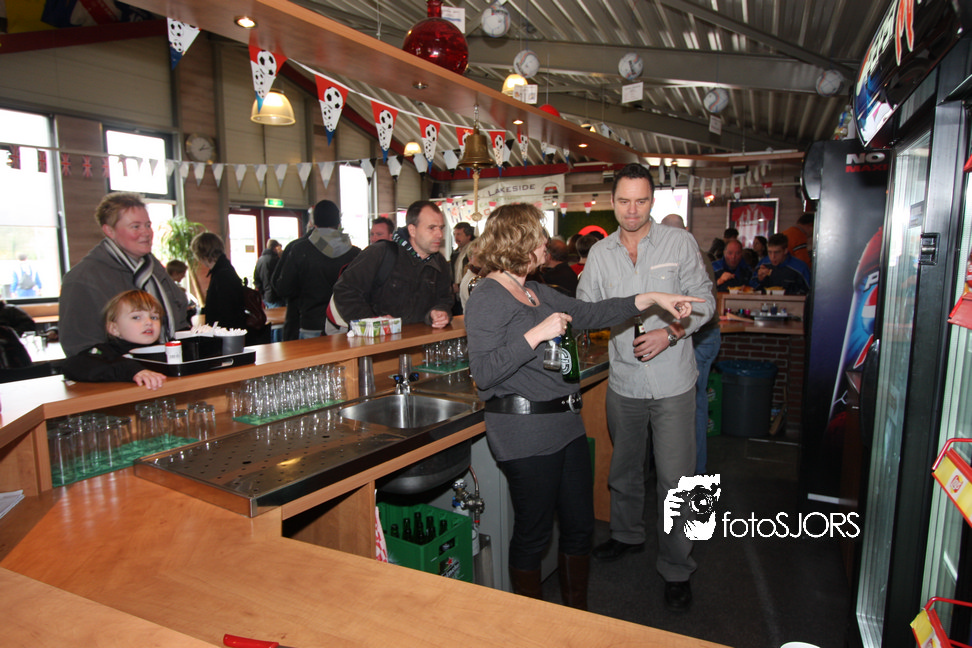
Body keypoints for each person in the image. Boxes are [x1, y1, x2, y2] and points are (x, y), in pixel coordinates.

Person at [465, 202, 702, 611]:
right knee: (534, 534)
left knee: (579, 529)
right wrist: (537, 334)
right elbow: (484, 373)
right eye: (539, 235)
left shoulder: (535, 290)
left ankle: (576, 618)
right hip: (524, 432)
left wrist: (650, 297)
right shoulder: (487, 294)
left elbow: (592, 313)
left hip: (565, 424)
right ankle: (533, 627)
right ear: (519, 240)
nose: (546, 242)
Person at [577, 163, 715, 613]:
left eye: (640, 201)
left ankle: (678, 567)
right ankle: (626, 535)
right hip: (624, 380)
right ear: (611, 202)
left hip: (673, 380)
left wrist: (670, 333)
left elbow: (706, 304)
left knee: (679, 480)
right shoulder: (600, 254)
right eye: (623, 201)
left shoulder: (679, 242)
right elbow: (585, 310)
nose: (632, 210)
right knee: (624, 469)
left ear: (652, 201)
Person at [59, 192, 189, 357]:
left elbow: (179, 317)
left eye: (147, 225)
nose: (146, 233)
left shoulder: (154, 269)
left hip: (165, 363)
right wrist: (128, 368)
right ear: (109, 230)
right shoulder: (83, 278)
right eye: (135, 226)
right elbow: (79, 348)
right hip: (121, 370)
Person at [661, 214, 721, 476]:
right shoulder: (699, 253)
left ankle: (693, 472)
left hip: (698, 337)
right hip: (706, 335)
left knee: (691, 405)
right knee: (694, 403)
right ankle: (692, 469)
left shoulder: (682, 255)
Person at [332, 200, 453, 328]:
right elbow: (345, 290)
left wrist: (440, 312)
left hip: (419, 338)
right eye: (431, 228)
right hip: (376, 339)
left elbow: (444, 299)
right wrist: (373, 322)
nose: (439, 234)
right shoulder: (381, 253)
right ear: (412, 230)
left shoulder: (440, 263)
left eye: (441, 228)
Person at [272, 201, 360, 339]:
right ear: (338, 223)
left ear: (314, 223)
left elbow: (283, 288)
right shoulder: (355, 253)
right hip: (345, 325)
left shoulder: (300, 250)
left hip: (310, 323)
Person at [58, 290, 167, 390]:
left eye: (154, 317)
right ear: (114, 328)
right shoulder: (106, 352)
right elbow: (71, 366)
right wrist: (128, 369)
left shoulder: (165, 351)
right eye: (136, 317)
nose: (149, 322)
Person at [451, 222, 476, 314]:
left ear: (468, 236)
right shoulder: (455, 253)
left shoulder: (475, 251)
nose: (456, 237)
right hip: (457, 295)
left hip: (470, 292)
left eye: (459, 234)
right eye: (454, 234)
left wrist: (460, 285)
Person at [253, 239, 284, 308]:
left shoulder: (260, 260)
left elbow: (256, 279)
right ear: (275, 248)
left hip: (266, 297)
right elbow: (284, 275)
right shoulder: (276, 260)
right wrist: (281, 255)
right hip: (276, 297)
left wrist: (263, 293)